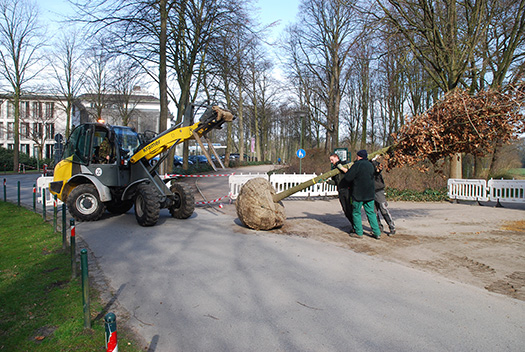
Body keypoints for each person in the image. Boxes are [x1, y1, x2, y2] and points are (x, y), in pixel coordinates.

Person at [338, 149, 382, 239]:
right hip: (370, 193)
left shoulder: (357, 165)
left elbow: (348, 177)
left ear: (359, 156)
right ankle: (377, 232)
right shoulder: (370, 165)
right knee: (371, 213)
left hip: (358, 194)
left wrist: (344, 169)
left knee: (356, 213)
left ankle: (359, 232)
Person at [328, 153, 355, 233]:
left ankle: (356, 226)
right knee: (345, 209)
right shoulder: (333, 169)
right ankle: (353, 225)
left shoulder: (345, 164)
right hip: (340, 190)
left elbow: (350, 173)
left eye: (332, 160)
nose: (331, 161)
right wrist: (328, 182)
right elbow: (336, 182)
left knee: (350, 208)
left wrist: (341, 168)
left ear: (336, 158)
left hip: (348, 189)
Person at [371, 156, 396, 235]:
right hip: (370, 191)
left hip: (378, 190)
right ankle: (378, 227)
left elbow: (378, 170)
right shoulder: (365, 165)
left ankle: (392, 227)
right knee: (374, 212)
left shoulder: (376, 164)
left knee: (383, 209)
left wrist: (373, 162)